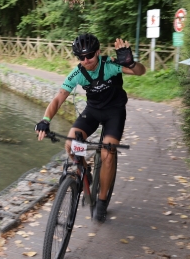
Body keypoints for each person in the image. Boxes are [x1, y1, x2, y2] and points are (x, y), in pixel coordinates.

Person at [35, 33, 146, 222]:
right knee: (70, 145)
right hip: (93, 111)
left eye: (90, 56)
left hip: (114, 112)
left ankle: (102, 201)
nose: (86, 60)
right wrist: (46, 119)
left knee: (108, 154)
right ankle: (86, 171)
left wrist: (130, 63)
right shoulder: (78, 73)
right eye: (81, 57)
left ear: (98, 52)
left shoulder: (110, 65)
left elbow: (140, 72)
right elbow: (58, 98)